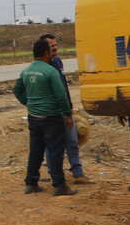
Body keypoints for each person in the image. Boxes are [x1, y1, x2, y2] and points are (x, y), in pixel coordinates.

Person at [12, 34, 74, 196]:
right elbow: (61, 96)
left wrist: (29, 103)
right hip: (52, 118)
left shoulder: (26, 71)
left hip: (34, 117)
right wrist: (67, 114)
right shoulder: (51, 71)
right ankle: (59, 185)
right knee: (55, 151)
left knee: (36, 150)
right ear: (46, 53)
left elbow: (17, 90)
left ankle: (31, 183)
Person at [44, 35, 87, 182]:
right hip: (52, 113)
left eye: (56, 44)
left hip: (65, 109)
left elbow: (63, 87)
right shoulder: (44, 66)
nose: (55, 47)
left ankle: (78, 172)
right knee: (52, 145)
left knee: (72, 141)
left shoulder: (57, 61)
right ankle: (54, 173)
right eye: (51, 45)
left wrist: (69, 107)